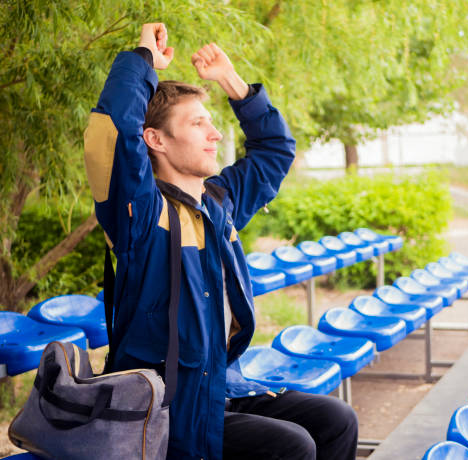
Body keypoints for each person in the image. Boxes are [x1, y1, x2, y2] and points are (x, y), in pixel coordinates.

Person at [84, 22, 358, 460]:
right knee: (292, 447)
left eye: (211, 123)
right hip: (167, 406)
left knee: (335, 419)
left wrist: (233, 84)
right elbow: (111, 132)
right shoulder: (140, 213)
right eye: (198, 123)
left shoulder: (219, 205)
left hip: (221, 385)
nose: (215, 134)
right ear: (154, 140)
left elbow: (273, 152)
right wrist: (142, 61)